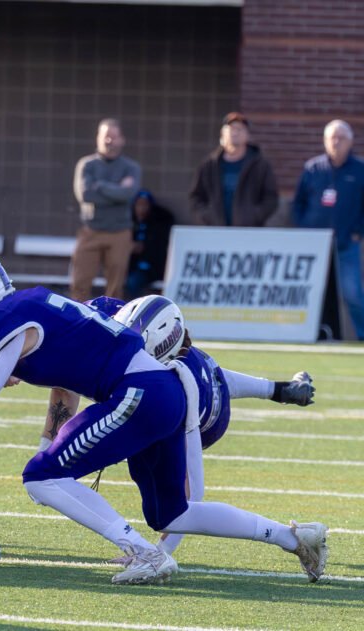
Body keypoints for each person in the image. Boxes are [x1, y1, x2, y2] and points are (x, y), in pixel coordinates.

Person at [0, 251, 328, 584]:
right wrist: (49, 438)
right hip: (157, 391)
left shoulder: (2, 320)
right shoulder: (31, 304)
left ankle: (144, 553)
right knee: (173, 513)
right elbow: (66, 381)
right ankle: (292, 537)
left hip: (138, 392)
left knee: (39, 479)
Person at [110, 295, 315, 557]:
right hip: (203, 378)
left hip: (202, 419)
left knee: (166, 510)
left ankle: (287, 537)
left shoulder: (177, 389)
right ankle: (279, 389)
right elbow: (218, 375)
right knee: (207, 372)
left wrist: (160, 553)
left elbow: (193, 495)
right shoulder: (119, 319)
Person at [292, 120, 364, 340]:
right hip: (314, 248)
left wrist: (358, 231)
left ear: (350, 141)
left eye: (341, 138)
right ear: (324, 141)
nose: (336, 142)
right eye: (331, 137)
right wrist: (304, 228)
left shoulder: (360, 170)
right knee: (311, 294)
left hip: (345, 245)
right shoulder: (313, 168)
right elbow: (298, 204)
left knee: (351, 294)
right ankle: (307, 335)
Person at [71, 118, 141, 301]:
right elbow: (85, 195)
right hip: (91, 231)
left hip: (120, 233)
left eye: (113, 137)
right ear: (98, 138)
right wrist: (116, 189)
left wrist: (99, 186)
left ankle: (111, 325)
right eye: (105, 136)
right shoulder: (87, 165)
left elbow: (128, 194)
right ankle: (78, 323)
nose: (109, 141)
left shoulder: (131, 167)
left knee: (115, 288)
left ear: (122, 140)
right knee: (79, 283)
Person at [190, 112, 278, 227]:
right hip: (216, 231)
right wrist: (208, 216)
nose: (235, 132)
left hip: (248, 232)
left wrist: (255, 216)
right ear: (222, 134)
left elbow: (270, 198)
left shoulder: (260, 165)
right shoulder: (209, 165)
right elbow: (196, 197)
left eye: (240, 129)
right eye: (231, 128)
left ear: (247, 135)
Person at [125, 190, 174, 299]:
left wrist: (144, 247)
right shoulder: (129, 223)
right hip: (130, 267)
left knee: (134, 281)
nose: (142, 208)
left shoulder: (158, 224)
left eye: (145, 204)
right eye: (139, 204)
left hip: (151, 269)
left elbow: (159, 248)